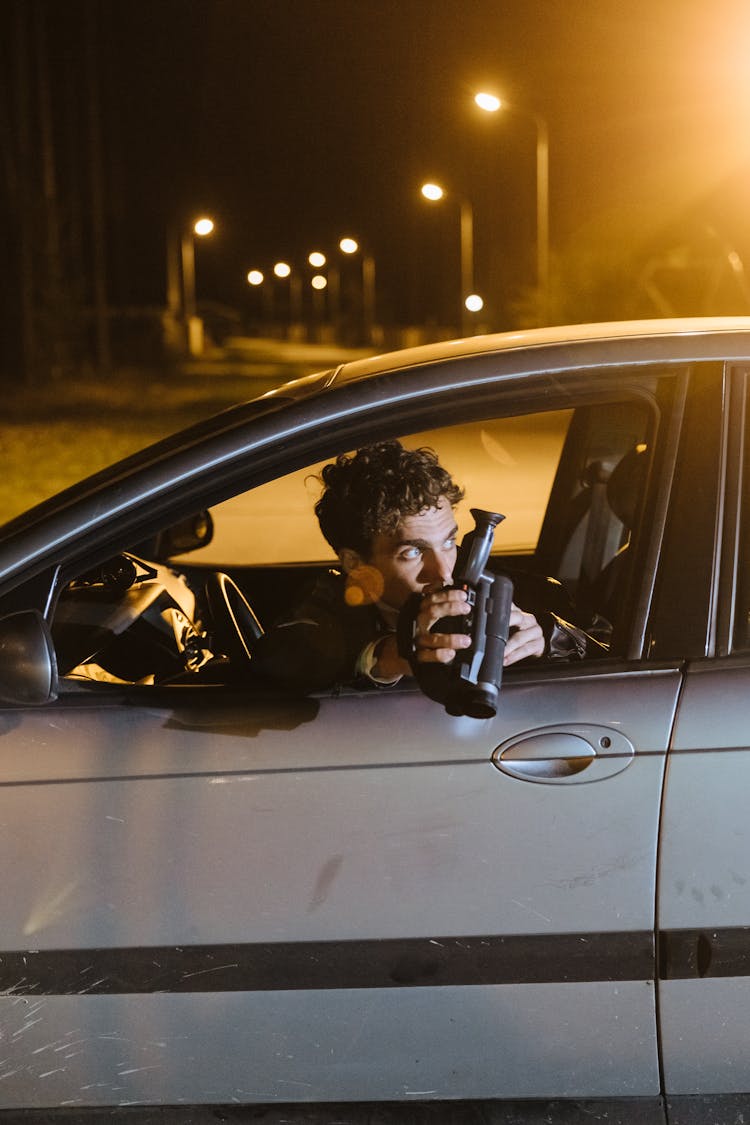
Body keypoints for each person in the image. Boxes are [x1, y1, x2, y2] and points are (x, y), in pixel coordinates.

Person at [254, 439, 547, 695]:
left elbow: (588, 634)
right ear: (355, 563)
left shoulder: (489, 581)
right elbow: (280, 657)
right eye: (413, 552)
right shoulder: (330, 602)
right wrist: (386, 656)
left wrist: (549, 639)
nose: (443, 571)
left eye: (448, 542)